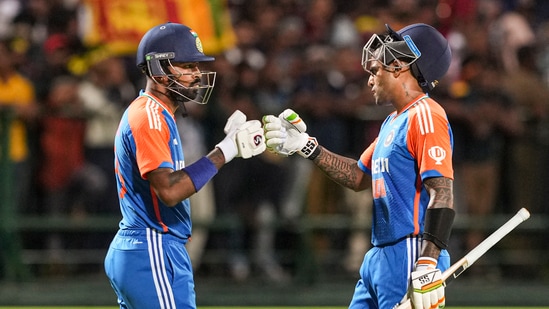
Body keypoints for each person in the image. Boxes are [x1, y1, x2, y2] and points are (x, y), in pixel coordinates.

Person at [263, 23, 455, 309]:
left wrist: (428, 260)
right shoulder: (394, 120)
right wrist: (307, 146)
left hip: (410, 253)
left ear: (402, 66)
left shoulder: (427, 115)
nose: (369, 80)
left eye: (375, 71)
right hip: (380, 254)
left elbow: (442, 192)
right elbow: (358, 176)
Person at [103, 22, 266, 309]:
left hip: (148, 247)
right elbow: (169, 190)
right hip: (152, 246)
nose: (197, 75)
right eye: (187, 66)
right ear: (158, 70)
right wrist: (225, 151)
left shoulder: (159, 114)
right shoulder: (150, 115)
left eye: (196, 67)